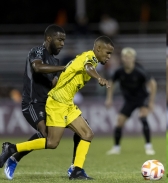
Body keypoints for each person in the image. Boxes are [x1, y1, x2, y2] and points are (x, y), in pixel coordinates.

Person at [0, 36, 114, 180]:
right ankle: (12, 148)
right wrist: (98, 78)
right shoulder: (89, 58)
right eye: (107, 53)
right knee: (52, 143)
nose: (109, 56)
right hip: (58, 102)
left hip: (67, 103)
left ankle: (76, 170)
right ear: (98, 49)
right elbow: (88, 67)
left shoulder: (92, 59)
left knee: (87, 134)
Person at [105, 47, 157, 155]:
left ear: (133, 59)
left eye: (129, 57)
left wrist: (151, 102)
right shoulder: (119, 71)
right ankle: (116, 148)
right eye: (125, 57)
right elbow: (111, 82)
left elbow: (153, 84)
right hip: (129, 100)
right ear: (122, 59)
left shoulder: (140, 71)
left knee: (143, 117)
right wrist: (109, 98)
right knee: (119, 122)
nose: (127, 59)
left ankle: (148, 147)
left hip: (142, 98)